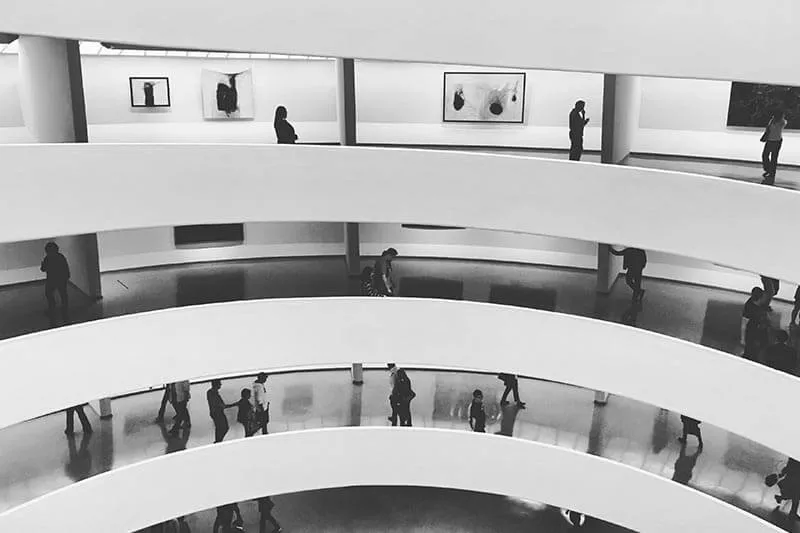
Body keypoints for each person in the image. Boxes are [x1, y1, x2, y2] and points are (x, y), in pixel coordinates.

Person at [40, 241, 70, 320]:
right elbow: (65, 267)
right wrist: (67, 276)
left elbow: (43, 269)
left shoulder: (48, 258)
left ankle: (52, 309)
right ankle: (65, 310)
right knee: (63, 294)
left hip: (51, 279)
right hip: (61, 279)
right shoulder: (60, 256)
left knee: (49, 294)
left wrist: (42, 264)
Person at [743, 287, 770, 361]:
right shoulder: (751, 309)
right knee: (752, 352)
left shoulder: (753, 303)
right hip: (754, 334)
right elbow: (745, 322)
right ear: (760, 298)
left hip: (756, 333)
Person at [761, 110, 787, 185]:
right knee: (765, 155)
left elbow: (784, 122)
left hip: (777, 141)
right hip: (769, 140)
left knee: (774, 157)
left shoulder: (782, 122)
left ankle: (772, 173)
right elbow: (768, 128)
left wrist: (775, 119)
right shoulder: (772, 121)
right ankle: (768, 169)